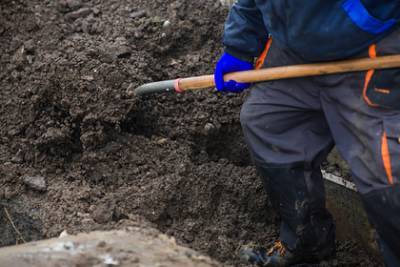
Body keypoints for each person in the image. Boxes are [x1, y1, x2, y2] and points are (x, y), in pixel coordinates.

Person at [214, 1, 400, 266]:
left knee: (387, 172)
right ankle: (307, 244)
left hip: (372, 48)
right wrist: (240, 43)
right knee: (268, 122)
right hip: (297, 47)